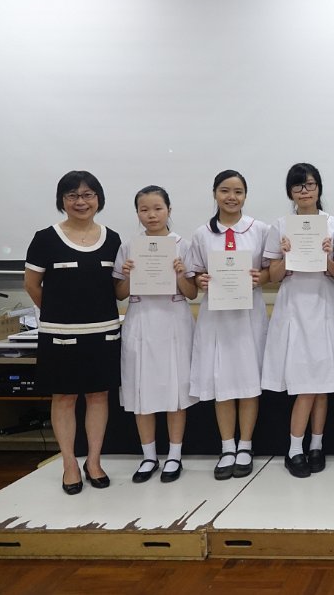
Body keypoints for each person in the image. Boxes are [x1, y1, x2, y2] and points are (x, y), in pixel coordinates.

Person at [24, 171, 122, 494]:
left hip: (103, 333)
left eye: (88, 195)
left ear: (98, 199)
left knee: (98, 396)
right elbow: (32, 285)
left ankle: (93, 461)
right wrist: (59, 313)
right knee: (64, 397)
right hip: (60, 335)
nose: (81, 201)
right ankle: (69, 463)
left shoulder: (113, 239)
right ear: (62, 200)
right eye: (72, 195)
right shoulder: (45, 238)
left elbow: (117, 289)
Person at [261, 163, 334, 478]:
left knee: (323, 382)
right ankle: (294, 449)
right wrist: (286, 254)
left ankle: (316, 446)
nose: (304, 191)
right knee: (304, 382)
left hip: (323, 304)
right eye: (298, 186)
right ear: (290, 192)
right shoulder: (280, 226)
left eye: (310, 184)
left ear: (319, 189)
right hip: (294, 306)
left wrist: (327, 257)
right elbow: (273, 276)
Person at [187, 170, 270, 481]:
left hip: (248, 315)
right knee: (222, 380)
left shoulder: (260, 230)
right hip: (217, 317)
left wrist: (261, 277)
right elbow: (195, 274)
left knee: (248, 380)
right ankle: (227, 447)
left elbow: (271, 271)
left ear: (245, 195)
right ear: (215, 194)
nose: (231, 197)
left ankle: (245, 445)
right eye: (225, 190)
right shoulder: (202, 234)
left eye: (238, 191)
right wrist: (200, 279)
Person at [114, 186, 198, 484]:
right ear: (137, 213)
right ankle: (149, 456)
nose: (151, 215)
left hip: (174, 322)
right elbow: (120, 294)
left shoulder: (183, 245)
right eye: (144, 209)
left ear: (169, 210)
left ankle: (174, 455)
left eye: (158, 208)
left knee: (176, 391)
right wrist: (127, 275)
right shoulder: (129, 247)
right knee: (141, 390)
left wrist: (180, 274)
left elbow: (192, 293)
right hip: (141, 322)